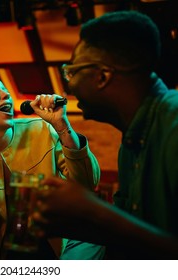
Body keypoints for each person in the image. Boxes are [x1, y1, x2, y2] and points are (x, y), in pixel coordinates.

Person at [32, 10, 178, 259]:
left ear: (102, 76)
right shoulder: (132, 140)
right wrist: (68, 221)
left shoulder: (173, 125)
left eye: (72, 72)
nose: (69, 85)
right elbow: (134, 230)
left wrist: (94, 210)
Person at [0, 74, 103, 259]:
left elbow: (87, 182)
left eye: (5, 90)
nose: (6, 95)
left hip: (70, 238)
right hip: (18, 248)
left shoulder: (43, 129)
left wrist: (62, 126)